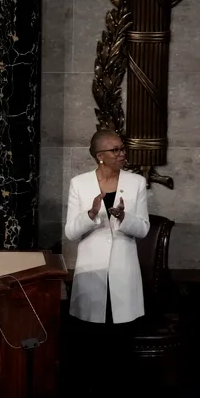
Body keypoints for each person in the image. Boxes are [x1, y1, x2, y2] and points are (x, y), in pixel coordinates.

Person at [65, 130, 150, 326]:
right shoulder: (79, 184)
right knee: (93, 341)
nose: (122, 153)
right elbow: (70, 232)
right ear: (100, 156)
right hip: (91, 273)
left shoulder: (136, 182)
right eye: (115, 150)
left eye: (122, 148)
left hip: (124, 272)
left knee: (122, 339)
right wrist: (90, 215)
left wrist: (123, 217)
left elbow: (144, 229)